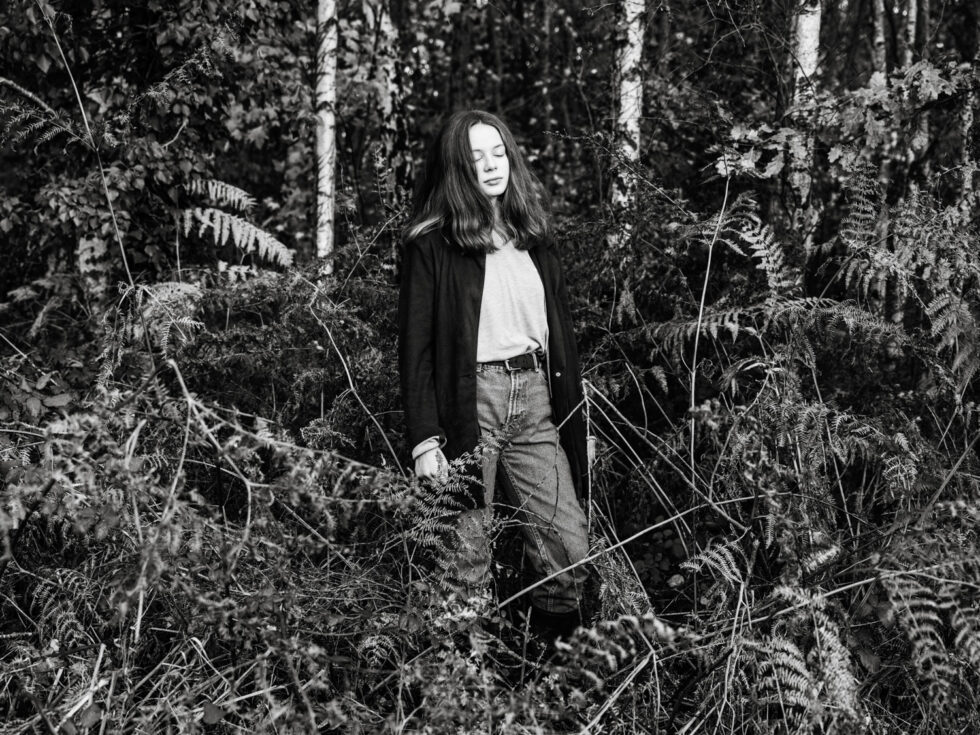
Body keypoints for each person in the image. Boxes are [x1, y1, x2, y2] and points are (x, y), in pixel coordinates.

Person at [397, 109, 590, 645]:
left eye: (499, 152)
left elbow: (562, 338)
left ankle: (546, 671)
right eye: (476, 156)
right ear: (457, 167)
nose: (491, 165)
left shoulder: (534, 238)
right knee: (465, 556)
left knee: (567, 547)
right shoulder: (431, 244)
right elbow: (415, 349)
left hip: (535, 398)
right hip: (468, 403)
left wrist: (577, 422)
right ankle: (461, 680)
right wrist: (424, 440)